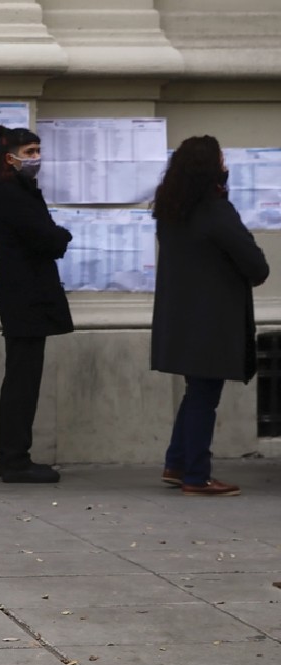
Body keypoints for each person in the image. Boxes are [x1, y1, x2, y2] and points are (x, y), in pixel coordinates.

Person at [151, 135, 269, 497]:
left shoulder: (171, 209)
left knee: (196, 391)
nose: (225, 165)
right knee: (205, 395)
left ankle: (177, 462)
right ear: (211, 168)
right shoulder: (215, 210)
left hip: (182, 316)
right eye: (221, 159)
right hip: (212, 318)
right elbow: (254, 262)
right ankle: (196, 475)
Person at [0, 125, 72, 484]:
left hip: (24, 291)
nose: (36, 158)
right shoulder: (10, 193)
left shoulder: (13, 190)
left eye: (37, 151)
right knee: (22, 377)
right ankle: (13, 458)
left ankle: (14, 455)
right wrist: (60, 235)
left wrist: (54, 235)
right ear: (10, 157)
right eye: (30, 152)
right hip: (25, 294)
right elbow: (47, 237)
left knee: (23, 375)